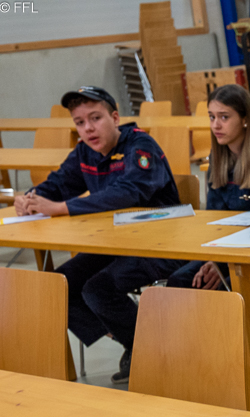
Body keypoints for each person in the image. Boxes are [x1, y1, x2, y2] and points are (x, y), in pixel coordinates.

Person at [14, 86, 182, 384]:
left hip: (160, 243)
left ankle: (147, 346)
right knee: (58, 285)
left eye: (95, 118)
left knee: (97, 289)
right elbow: (57, 184)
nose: (88, 128)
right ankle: (136, 341)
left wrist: (62, 207)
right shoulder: (85, 152)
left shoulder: (140, 145)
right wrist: (30, 198)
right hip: (114, 243)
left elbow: (129, 192)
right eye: (80, 122)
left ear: (115, 118)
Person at [166, 84, 250, 373]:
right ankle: (215, 367)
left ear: (245, 119)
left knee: (234, 287)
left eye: (224, 117)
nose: (216, 125)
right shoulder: (218, 161)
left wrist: (220, 264)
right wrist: (215, 261)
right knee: (181, 282)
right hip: (225, 254)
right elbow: (215, 224)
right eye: (211, 117)